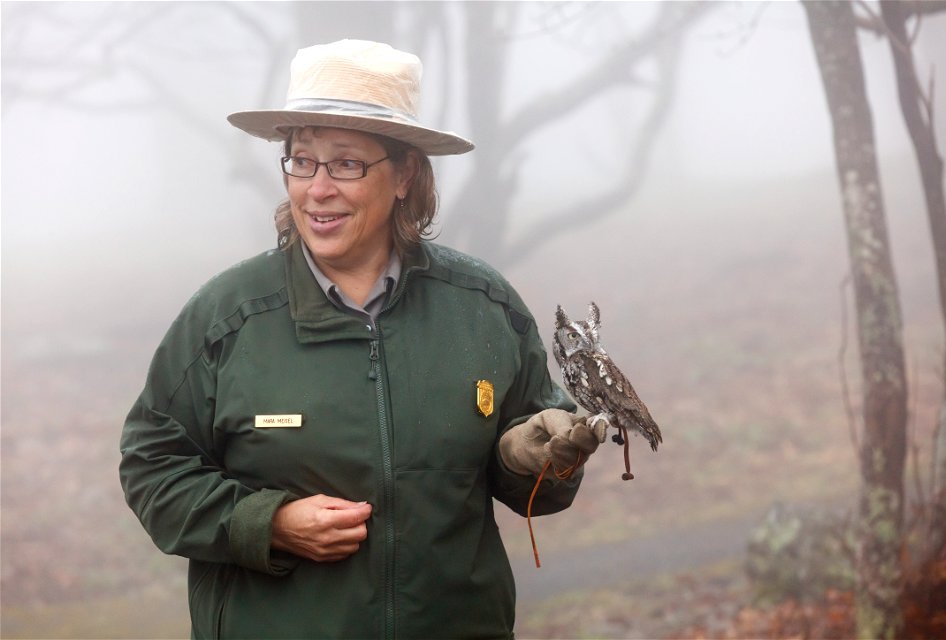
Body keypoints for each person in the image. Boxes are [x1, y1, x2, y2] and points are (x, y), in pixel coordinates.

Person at [119, 39, 607, 640]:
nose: (317, 188)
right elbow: (152, 466)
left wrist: (526, 459)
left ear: (404, 175)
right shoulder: (228, 320)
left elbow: (538, 473)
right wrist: (267, 523)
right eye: (302, 160)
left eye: (346, 163)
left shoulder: (482, 307)